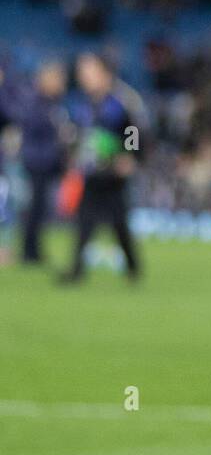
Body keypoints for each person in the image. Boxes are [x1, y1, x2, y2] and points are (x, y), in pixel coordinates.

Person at [58, 53, 145, 283]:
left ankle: (133, 269)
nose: (83, 76)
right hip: (91, 172)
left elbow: (134, 131)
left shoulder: (121, 101)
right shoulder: (84, 104)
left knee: (119, 224)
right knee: (84, 221)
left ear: (104, 73)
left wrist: (129, 156)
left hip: (114, 175)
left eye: (88, 70)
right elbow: (77, 135)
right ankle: (76, 270)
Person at [0, 60, 71, 264]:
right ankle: (29, 251)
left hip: (47, 161)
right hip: (37, 160)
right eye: (57, 78)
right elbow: (21, 122)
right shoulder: (34, 101)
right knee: (33, 208)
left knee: (39, 209)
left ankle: (33, 250)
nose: (61, 82)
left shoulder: (53, 103)